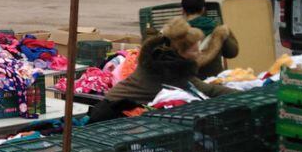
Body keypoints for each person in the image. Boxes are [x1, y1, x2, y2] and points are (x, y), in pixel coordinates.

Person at [89, 17, 236, 122]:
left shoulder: (156, 59)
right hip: (112, 116)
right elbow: (207, 90)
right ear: (180, 52)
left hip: (112, 108)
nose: (198, 54)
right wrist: (246, 94)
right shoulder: (168, 71)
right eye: (194, 51)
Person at [180, 0, 239, 78]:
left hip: (188, 82)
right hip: (214, 81)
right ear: (203, 10)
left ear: (182, 10)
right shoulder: (217, 28)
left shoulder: (177, 32)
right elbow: (232, 53)